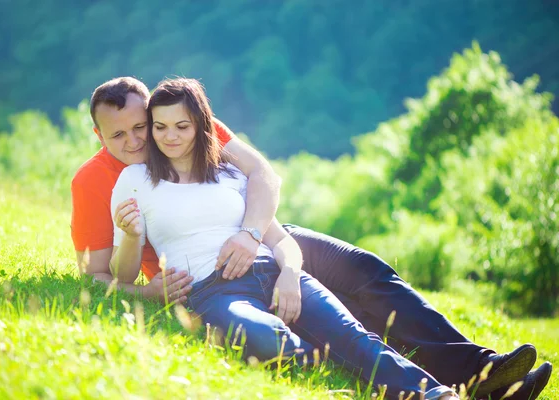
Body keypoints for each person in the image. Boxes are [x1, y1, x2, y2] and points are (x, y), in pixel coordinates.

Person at [70, 77, 552, 400]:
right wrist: (146, 292)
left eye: (142, 127)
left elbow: (263, 177)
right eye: (120, 135)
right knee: (323, 319)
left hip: (254, 234)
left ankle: (483, 375)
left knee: (362, 271)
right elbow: (96, 274)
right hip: (204, 272)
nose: (137, 141)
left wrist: (253, 236)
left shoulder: (182, 128)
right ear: (98, 134)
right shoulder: (99, 183)